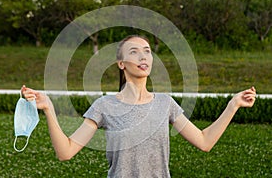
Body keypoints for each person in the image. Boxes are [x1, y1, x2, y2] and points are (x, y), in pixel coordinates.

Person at [21, 35, 256, 177]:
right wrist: (49, 108)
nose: (143, 57)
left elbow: (204, 141)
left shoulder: (166, 103)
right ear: (121, 63)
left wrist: (233, 105)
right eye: (135, 52)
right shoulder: (105, 106)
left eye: (147, 52)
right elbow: (66, 152)